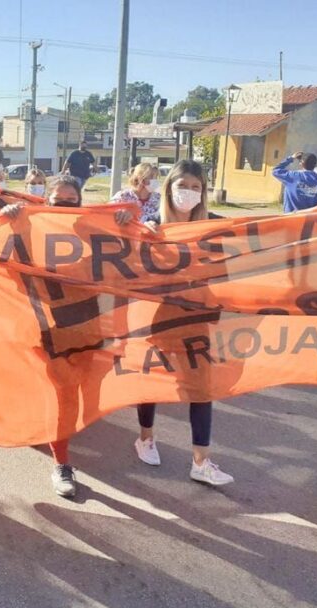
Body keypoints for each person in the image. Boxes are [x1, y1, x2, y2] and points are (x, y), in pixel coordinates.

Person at [2, 173, 130, 498]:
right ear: (47, 202)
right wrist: (12, 224)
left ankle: (69, 428)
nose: (65, 208)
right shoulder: (32, 231)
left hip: (92, 329)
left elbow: (128, 257)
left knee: (89, 392)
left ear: (81, 204)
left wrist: (126, 224)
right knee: (64, 396)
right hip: (52, 332)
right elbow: (8, 268)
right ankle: (61, 464)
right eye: (58, 203)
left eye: (72, 203)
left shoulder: (95, 232)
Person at [123, 160, 234, 486]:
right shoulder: (153, 225)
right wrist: (138, 231)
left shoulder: (213, 224)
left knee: (201, 388)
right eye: (183, 185)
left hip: (197, 316)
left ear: (203, 193)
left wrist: (309, 216)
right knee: (151, 380)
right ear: (169, 188)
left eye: (196, 187)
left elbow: (261, 231)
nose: (189, 192)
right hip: (158, 316)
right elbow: (125, 253)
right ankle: (145, 438)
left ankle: (201, 461)